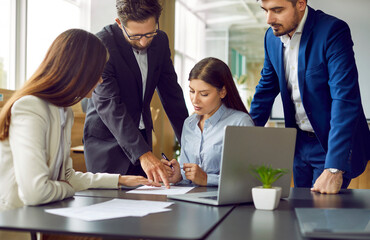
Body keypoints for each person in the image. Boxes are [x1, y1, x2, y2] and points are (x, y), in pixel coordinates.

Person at [0, 29, 160, 213]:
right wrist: (68, 188)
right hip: (15, 222)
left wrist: (118, 180)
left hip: (42, 215)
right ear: (79, 71)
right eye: (98, 72)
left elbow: (67, 176)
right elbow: (35, 192)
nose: (100, 80)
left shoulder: (63, 111)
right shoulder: (31, 107)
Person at [250, 0, 370, 194]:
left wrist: (334, 167)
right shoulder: (271, 38)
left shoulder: (332, 31)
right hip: (298, 144)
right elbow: (265, 90)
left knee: (323, 218)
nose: (269, 19)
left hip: (329, 143)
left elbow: (345, 99)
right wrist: (242, 139)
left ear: (300, 4)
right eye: (265, 11)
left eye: (277, 10)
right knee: (299, 213)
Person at [83, 0, 188, 188]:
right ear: (118, 23)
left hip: (142, 137)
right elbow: (109, 105)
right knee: (107, 207)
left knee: (142, 205)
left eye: (150, 33)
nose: (144, 41)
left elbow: (173, 96)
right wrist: (143, 154)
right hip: (107, 141)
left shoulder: (161, 41)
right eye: (136, 36)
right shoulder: (102, 44)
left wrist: (189, 145)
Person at [161, 57, 254, 186]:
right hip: (191, 200)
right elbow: (187, 172)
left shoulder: (240, 123)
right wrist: (178, 176)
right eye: (192, 91)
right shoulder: (189, 124)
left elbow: (248, 177)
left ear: (222, 92)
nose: (194, 100)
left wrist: (206, 179)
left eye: (204, 94)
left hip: (224, 202)